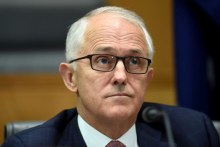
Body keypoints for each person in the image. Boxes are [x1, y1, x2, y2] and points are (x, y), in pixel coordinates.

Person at [2, 6, 220, 147]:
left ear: (148, 77)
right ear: (70, 77)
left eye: (134, 61)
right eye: (103, 60)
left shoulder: (194, 134)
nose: (120, 76)